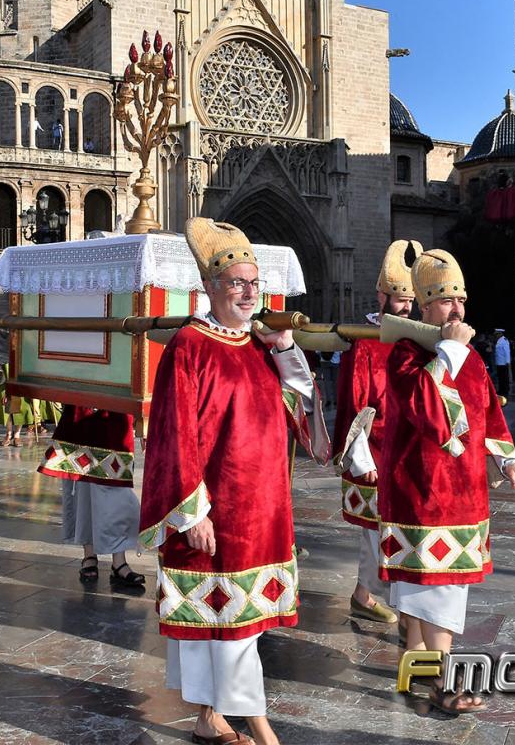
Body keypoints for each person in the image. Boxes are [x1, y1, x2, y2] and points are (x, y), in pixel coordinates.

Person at [140, 219, 326, 745]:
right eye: (237, 283)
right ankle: (262, 730)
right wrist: (192, 512)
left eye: (254, 283)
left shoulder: (262, 346)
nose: (248, 293)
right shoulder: (189, 345)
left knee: (231, 623)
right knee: (229, 628)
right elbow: (174, 434)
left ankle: (208, 716)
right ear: (209, 287)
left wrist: (285, 347)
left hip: (262, 508)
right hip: (215, 510)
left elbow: (302, 407)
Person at [378, 248, 515, 715]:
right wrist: (452, 352)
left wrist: (506, 458)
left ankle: (415, 670)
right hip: (420, 491)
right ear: (424, 306)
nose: (457, 310)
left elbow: (488, 412)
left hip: (464, 493)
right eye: (446, 301)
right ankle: (443, 680)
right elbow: (427, 410)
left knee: (431, 590)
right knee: (434, 591)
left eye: (461, 300)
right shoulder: (405, 355)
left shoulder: (471, 357)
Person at [333, 240, 421, 628]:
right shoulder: (366, 341)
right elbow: (355, 404)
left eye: (411, 301)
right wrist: (361, 459)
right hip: (374, 453)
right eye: (400, 300)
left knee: (402, 532)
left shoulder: (416, 338)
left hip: (408, 454)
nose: (406, 308)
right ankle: (386, 605)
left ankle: (371, 598)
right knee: (378, 535)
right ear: (381, 297)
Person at [39, 404, 144, 589]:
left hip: (116, 411)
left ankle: (119, 561)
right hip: (81, 409)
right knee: (83, 487)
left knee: (117, 489)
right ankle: (89, 554)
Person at [494, 329, 511, 396]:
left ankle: (505, 390)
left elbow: (507, 351)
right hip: (499, 362)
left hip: (503, 362)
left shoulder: (504, 340)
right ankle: (501, 389)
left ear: (500, 334)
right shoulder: (499, 340)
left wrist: (507, 361)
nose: (496, 335)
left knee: (504, 377)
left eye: (497, 334)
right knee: (501, 377)